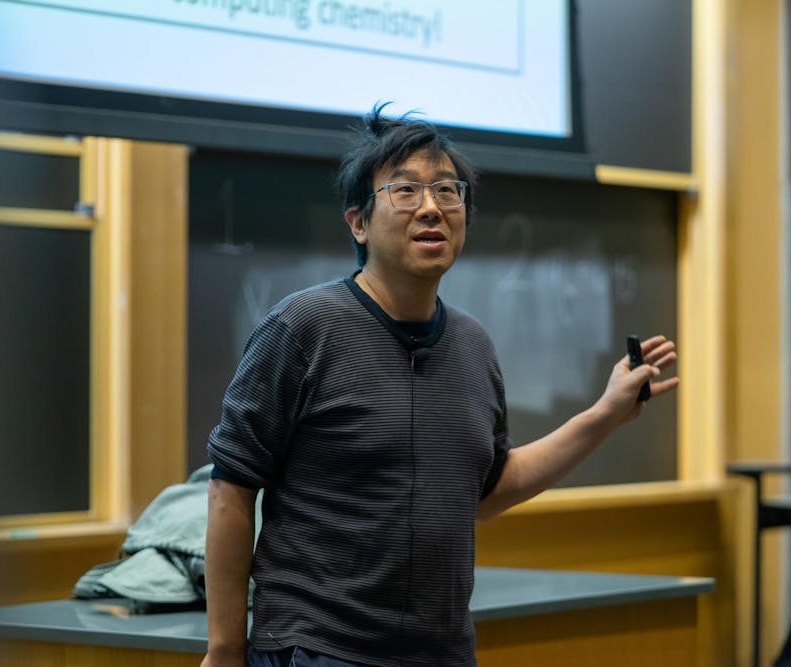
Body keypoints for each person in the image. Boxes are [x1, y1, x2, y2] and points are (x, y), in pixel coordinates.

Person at [201, 105, 678, 667]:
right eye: (405, 191)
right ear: (358, 222)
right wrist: (225, 648)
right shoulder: (302, 328)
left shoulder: (473, 345)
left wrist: (605, 413)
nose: (432, 208)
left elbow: (488, 490)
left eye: (448, 192)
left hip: (443, 652)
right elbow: (231, 489)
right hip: (318, 648)